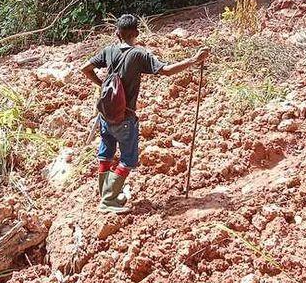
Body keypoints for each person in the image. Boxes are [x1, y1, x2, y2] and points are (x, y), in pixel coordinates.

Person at [81, 14, 210, 213]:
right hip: (125, 117)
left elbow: (85, 68)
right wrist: (194, 59)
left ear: (117, 34)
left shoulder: (108, 51)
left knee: (106, 153)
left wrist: (102, 85)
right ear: (137, 34)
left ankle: (107, 193)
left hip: (105, 115)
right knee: (128, 159)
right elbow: (165, 70)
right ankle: (108, 200)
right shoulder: (139, 54)